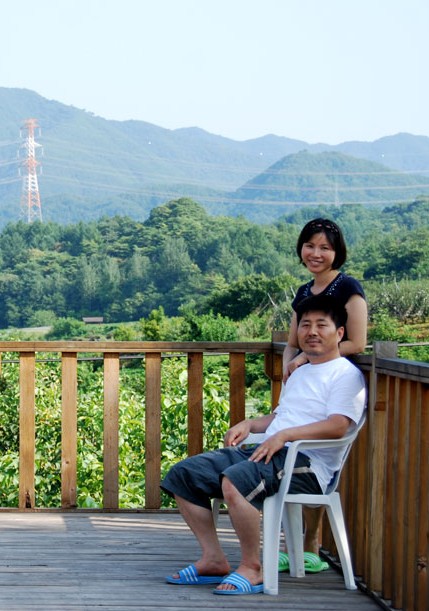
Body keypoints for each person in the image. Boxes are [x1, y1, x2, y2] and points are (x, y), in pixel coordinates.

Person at [160, 295, 366, 595]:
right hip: (272, 449)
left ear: (340, 333)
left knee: (237, 479)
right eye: (305, 325)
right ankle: (214, 559)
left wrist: (284, 436)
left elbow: (339, 426)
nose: (311, 331)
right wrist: (250, 424)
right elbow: (280, 416)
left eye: (322, 325)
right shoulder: (301, 371)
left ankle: (252, 568)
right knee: (185, 474)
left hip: (308, 465)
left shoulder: (347, 375)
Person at [282, 217, 367, 572]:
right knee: (285, 452)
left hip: (333, 382)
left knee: (317, 457)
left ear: (337, 252)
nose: (316, 253)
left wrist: (309, 357)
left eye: (325, 247)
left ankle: (311, 543)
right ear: (301, 248)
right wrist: (289, 369)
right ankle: (293, 544)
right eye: (310, 246)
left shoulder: (349, 287)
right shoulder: (303, 292)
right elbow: (290, 343)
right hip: (304, 384)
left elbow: (357, 342)